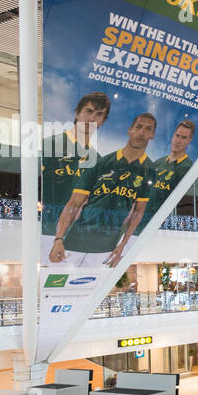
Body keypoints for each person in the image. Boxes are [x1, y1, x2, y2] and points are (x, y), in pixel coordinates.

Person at [53, 112, 157, 268]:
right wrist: (58, 239)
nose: (142, 132)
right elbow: (74, 203)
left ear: (152, 135)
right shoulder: (102, 163)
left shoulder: (149, 171)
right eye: (139, 127)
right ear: (130, 130)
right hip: (75, 240)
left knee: (94, 289)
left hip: (108, 247)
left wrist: (123, 245)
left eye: (148, 129)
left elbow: (138, 212)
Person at [40, 91, 109, 265]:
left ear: (103, 121)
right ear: (77, 113)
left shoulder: (97, 160)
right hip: (48, 231)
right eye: (89, 111)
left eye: (99, 114)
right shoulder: (50, 145)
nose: (92, 118)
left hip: (78, 236)